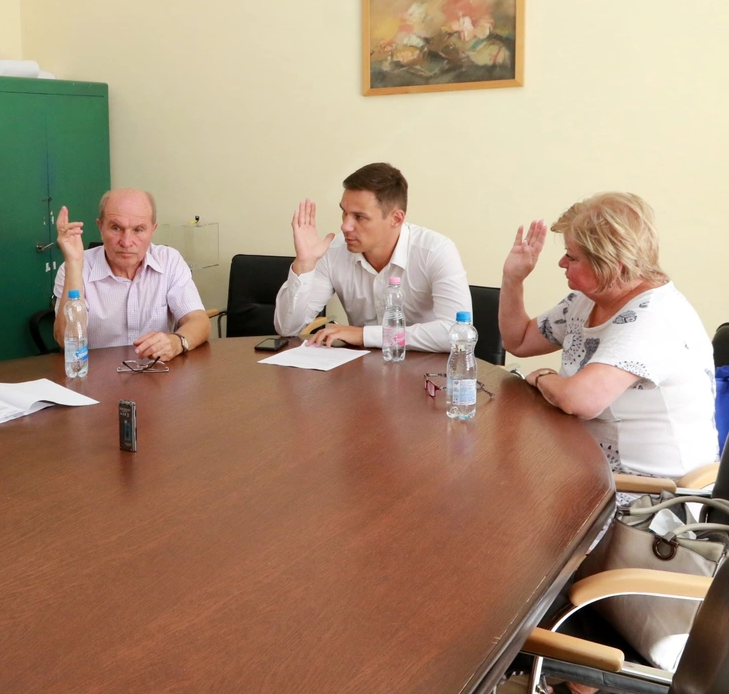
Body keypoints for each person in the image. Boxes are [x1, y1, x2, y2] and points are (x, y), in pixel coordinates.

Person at [499, 192, 716, 479]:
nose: (562, 263)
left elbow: (581, 400)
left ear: (613, 265)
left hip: (652, 492)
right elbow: (519, 341)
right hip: (592, 473)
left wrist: (542, 377)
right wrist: (513, 279)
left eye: (572, 256)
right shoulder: (587, 301)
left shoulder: (654, 319)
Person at [274, 162, 471, 351]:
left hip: (424, 369)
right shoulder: (334, 251)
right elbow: (287, 330)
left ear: (396, 219)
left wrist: (364, 335)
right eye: (344, 213)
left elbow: (456, 333)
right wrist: (304, 264)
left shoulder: (436, 251)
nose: (345, 226)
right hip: (361, 368)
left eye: (359, 217)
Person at [52, 188, 210, 360]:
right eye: (116, 228)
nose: (126, 242)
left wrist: (176, 342)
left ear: (153, 230)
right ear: (100, 227)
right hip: (97, 372)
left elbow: (199, 322)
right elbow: (65, 340)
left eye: (138, 230)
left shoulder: (169, 261)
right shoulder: (73, 268)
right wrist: (74, 265)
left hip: (156, 371)